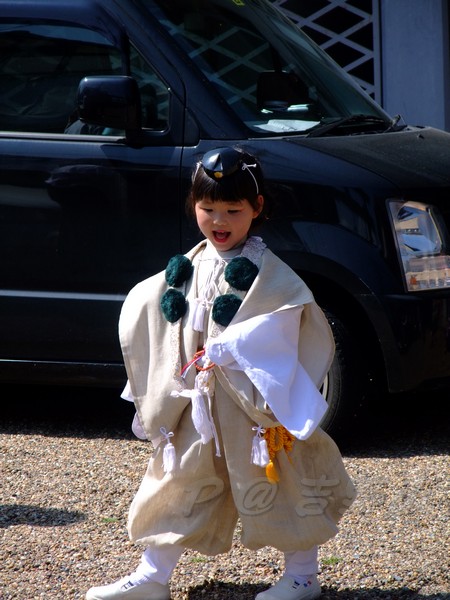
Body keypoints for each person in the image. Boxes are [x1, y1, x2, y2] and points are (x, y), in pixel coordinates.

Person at [85, 147, 356, 600]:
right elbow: (156, 309)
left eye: (233, 210)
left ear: (257, 209)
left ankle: (304, 575)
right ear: (193, 206)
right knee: (177, 479)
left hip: (253, 407)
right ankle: (153, 575)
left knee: (285, 479)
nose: (218, 220)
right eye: (207, 208)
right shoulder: (190, 265)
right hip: (199, 401)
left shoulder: (273, 276)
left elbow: (284, 320)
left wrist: (231, 346)